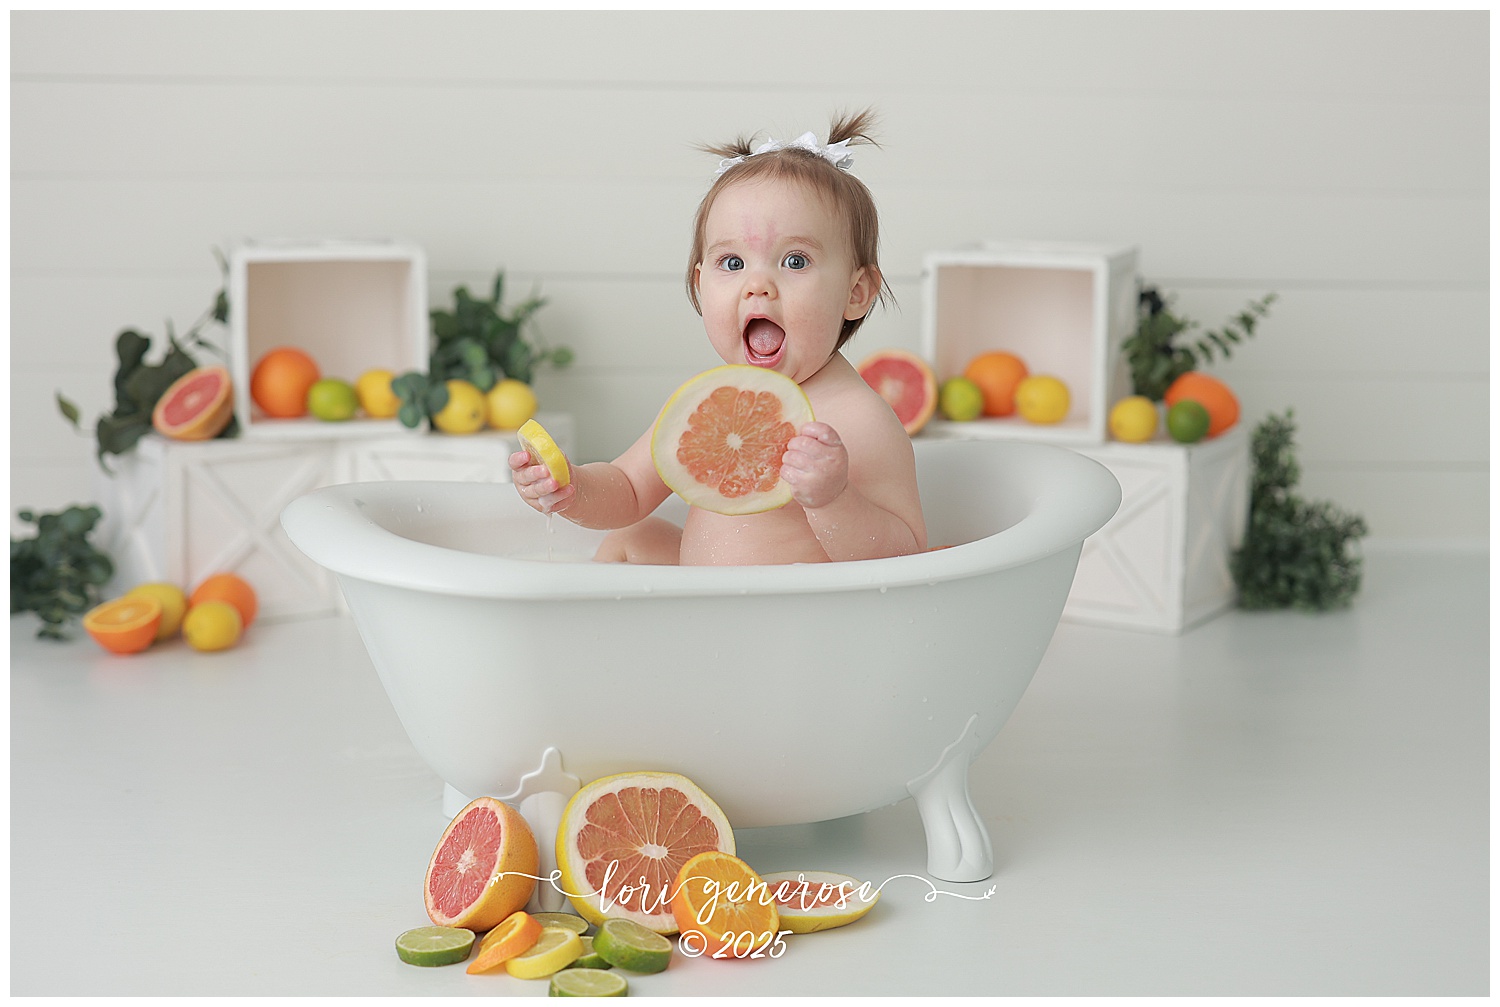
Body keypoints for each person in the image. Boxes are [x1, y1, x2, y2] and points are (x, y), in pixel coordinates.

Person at [509, 109, 926, 566]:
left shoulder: (860, 420)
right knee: (634, 538)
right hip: (706, 606)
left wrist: (834, 499)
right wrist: (572, 488)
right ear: (699, 286)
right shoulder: (709, 402)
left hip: (790, 621)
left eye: (795, 261)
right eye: (732, 263)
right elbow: (628, 489)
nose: (758, 285)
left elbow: (905, 558)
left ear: (856, 292)